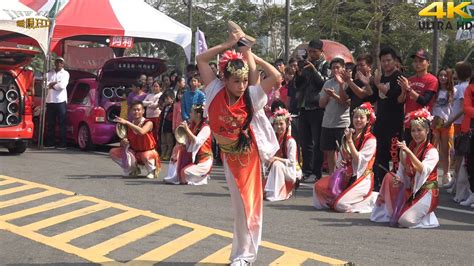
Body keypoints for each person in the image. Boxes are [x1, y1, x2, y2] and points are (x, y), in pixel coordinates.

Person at [196, 28, 280, 265]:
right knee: (239, 208)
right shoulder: (213, 90)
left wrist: (249, 53)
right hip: (228, 157)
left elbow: (274, 76)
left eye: (244, 80)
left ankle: (246, 256)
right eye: (236, 81)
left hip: (247, 157)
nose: (242, 85)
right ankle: (242, 254)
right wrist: (228, 44)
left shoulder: (250, 97)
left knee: (248, 206)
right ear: (224, 79)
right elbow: (201, 59)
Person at [371, 108, 439, 228]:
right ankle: (412, 211)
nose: (416, 134)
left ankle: (428, 218)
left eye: (419, 130)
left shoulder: (432, 151)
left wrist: (408, 152)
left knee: (405, 221)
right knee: (389, 178)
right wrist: (399, 178)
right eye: (413, 130)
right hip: (412, 188)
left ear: (427, 130)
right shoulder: (410, 147)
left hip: (426, 191)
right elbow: (402, 170)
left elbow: (423, 170)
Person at [313, 102, 377, 213]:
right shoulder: (348, 135)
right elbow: (341, 158)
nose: (358, 120)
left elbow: (359, 160)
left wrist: (350, 141)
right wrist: (342, 162)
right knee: (318, 188)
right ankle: (343, 197)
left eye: (362, 117)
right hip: (346, 175)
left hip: (362, 177)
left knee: (340, 205)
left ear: (367, 120)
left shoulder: (371, 139)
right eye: (356, 117)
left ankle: (370, 199)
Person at [294, 40, 330, 182]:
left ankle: (316, 172)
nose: (312, 54)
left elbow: (324, 83)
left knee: (317, 143)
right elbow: (298, 85)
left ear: (321, 51)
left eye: (314, 52)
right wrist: (298, 72)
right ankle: (306, 171)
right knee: (305, 142)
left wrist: (313, 70)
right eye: (310, 51)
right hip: (303, 107)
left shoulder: (325, 65)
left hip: (317, 107)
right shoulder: (305, 63)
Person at [372, 46, 405, 192]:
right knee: (380, 155)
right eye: (383, 61)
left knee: (395, 155)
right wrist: (370, 83)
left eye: (388, 60)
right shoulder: (379, 77)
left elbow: (395, 97)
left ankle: (396, 185)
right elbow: (372, 96)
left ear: (394, 61)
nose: (386, 64)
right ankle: (382, 183)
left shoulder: (399, 77)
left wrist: (379, 85)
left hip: (394, 123)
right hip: (380, 122)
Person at [163, 104, 213, 185]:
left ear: (198, 115)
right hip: (194, 159)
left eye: (191, 112)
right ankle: (174, 175)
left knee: (184, 173)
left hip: (203, 161)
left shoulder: (206, 128)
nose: (190, 114)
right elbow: (185, 141)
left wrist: (187, 129)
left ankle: (201, 178)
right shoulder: (192, 125)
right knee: (177, 149)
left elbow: (197, 142)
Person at [110, 101, 160, 179]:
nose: (136, 112)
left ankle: (152, 170)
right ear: (130, 111)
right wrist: (124, 141)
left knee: (146, 155)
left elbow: (142, 132)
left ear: (143, 111)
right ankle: (133, 169)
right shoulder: (129, 124)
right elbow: (125, 139)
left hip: (147, 152)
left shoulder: (148, 122)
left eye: (138, 110)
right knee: (113, 152)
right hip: (135, 152)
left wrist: (127, 122)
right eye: (134, 110)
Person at [398, 49, 438, 144]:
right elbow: (400, 101)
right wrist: (403, 91)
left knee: (422, 154)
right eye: (415, 61)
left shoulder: (432, 80)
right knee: (408, 153)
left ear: (428, 63)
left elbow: (424, 101)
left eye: (421, 61)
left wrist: (408, 88)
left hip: (423, 124)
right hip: (409, 124)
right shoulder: (410, 80)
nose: (417, 64)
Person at [319, 57, 351, 175]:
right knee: (330, 152)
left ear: (343, 68)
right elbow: (321, 104)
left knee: (344, 153)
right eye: (333, 68)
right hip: (327, 122)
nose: (335, 70)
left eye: (338, 67)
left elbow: (346, 103)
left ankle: (344, 176)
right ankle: (332, 176)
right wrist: (327, 96)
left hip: (342, 123)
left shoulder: (348, 83)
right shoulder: (327, 83)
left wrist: (336, 93)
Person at [445, 61, 472, 195]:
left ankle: (458, 185)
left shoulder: (462, 88)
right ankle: (455, 182)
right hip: (460, 123)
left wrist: (450, 120)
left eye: (456, 71)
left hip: (460, 124)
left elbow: (463, 108)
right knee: (458, 153)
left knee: (460, 154)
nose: (454, 73)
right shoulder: (463, 86)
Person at [263, 108, 301, 201]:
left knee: (276, 164)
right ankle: (269, 190)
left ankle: (279, 193)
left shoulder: (290, 141)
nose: (278, 126)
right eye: (276, 124)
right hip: (278, 168)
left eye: (281, 124)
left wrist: (276, 159)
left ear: (287, 124)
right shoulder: (273, 139)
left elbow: (292, 162)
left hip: (291, 170)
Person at [431, 68, 455, 187]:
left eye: (445, 76)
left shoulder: (453, 91)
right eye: (441, 75)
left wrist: (450, 121)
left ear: (449, 77)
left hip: (447, 124)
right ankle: (432, 174)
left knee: (445, 151)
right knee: (433, 150)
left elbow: (454, 110)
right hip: (435, 123)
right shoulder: (435, 90)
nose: (443, 78)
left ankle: (446, 174)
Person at [453, 76, 474, 205]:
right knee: (470, 164)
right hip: (470, 131)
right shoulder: (469, 89)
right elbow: (466, 108)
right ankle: (472, 193)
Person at [45, 57, 70, 149]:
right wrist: (54, 83)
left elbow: (62, 86)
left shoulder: (65, 74)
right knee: (50, 123)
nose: (59, 64)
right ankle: (50, 143)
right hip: (50, 100)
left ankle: (62, 143)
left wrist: (51, 84)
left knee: (62, 123)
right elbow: (44, 85)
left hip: (60, 101)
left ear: (63, 64)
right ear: (55, 63)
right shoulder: (49, 73)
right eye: (57, 62)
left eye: (61, 62)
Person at [142, 80, 163, 145]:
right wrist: (151, 102)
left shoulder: (160, 95)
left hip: (156, 116)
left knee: (156, 133)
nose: (155, 88)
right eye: (153, 86)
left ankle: (156, 147)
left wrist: (148, 103)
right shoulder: (149, 95)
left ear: (160, 87)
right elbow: (143, 103)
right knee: (149, 132)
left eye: (156, 86)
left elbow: (155, 105)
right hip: (148, 117)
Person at [158, 90, 175, 161]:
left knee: (169, 142)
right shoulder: (165, 107)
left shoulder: (173, 107)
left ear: (172, 99)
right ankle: (163, 154)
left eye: (168, 98)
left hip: (169, 128)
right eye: (165, 99)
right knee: (163, 142)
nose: (166, 100)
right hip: (163, 126)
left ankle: (168, 155)